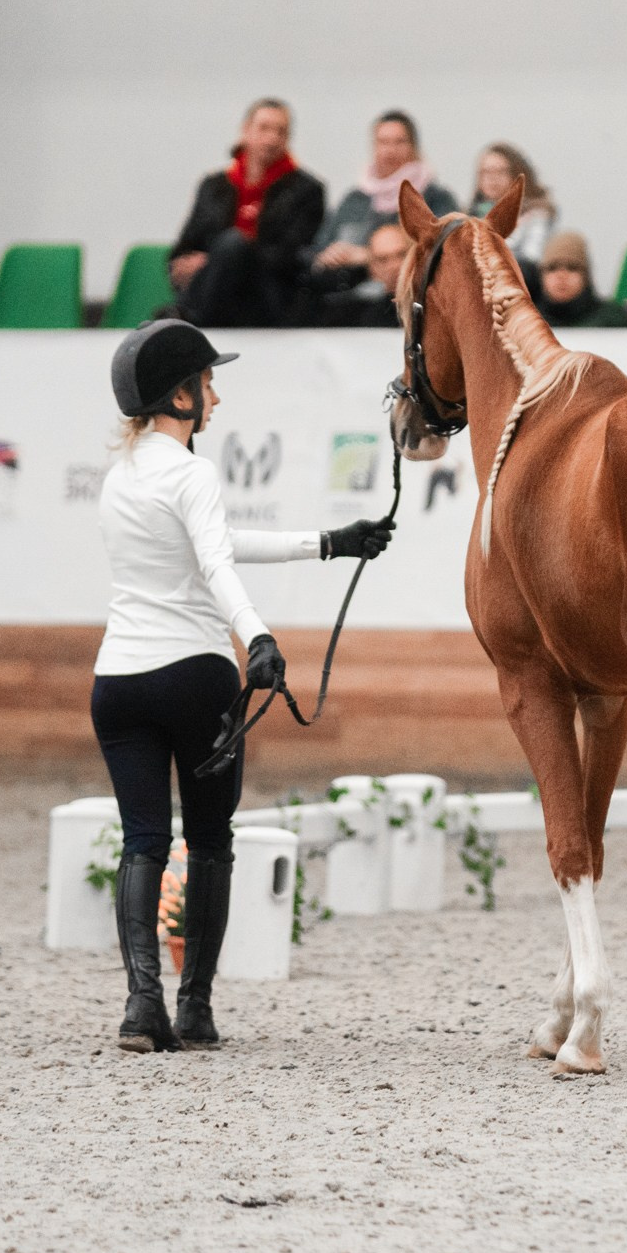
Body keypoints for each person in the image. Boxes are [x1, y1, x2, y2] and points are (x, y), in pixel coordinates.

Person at [96, 320, 394, 1053]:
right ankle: (193, 1007)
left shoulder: (122, 473)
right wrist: (257, 635)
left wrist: (329, 543)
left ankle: (141, 1004)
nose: (216, 396)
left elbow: (217, 545)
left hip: (117, 682)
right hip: (192, 675)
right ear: (181, 396)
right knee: (208, 840)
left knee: (142, 840)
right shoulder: (191, 473)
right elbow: (217, 566)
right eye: (208, 383)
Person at [167, 98, 326, 328]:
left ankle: (188, 319)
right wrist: (182, 265)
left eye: (280, 131)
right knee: (229, 247)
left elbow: (290, 257)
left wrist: (218, 260)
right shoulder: (214, 187)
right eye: (264, 128)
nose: (272, 138)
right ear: (246, 130)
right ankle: (190, 317)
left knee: (234, 244)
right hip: (214, 292)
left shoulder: (306, 190)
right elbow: (185, 247)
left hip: (268, 296)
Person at [307, 110, 459, 274]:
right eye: (383, 142)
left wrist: (372, 257)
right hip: (345, 285)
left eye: (399, 142)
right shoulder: (355, 199)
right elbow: (317, 248)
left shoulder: (436, 199)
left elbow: (445, 252)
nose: (391, 150)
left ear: (413, 147)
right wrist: (328, 256)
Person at [469, 143, 556, 270]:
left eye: (500, 172)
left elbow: (531, 260)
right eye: (486, 172)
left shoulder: (535, 215)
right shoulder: (469, 216)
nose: (492, 178)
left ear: (516, 174)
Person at [302, 222, 407, 327]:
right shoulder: (366, 318)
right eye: (382, 260)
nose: (394, 266)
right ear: (372, 270)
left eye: (402, 254)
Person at [533, 231, 627, 328]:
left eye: (572, 268)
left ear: (586, 276)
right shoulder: (529, 320)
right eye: (552, 268)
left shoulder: (612, 318)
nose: (561, 275)